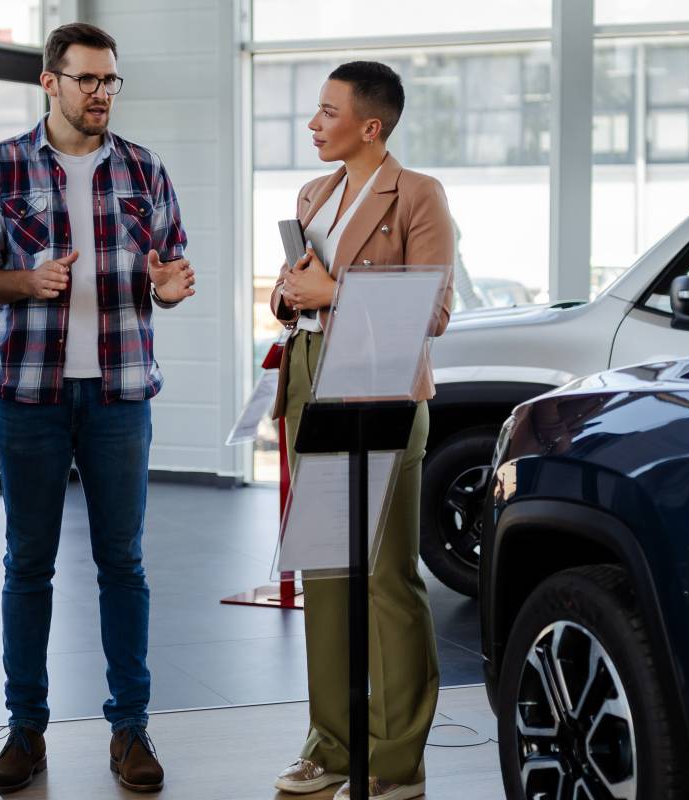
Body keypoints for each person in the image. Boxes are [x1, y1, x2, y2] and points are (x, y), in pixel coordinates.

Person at [0, 22, 195, 796]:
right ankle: (25, 730)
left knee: (123, 564)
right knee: (28, 564)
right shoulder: (0, 167)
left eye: (109, 80)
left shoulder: (145, 169)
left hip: (121, 394)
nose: (100, 93)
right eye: (86, 79)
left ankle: (131, 729)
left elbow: (170, 269)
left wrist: (169, 288)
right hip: (31, 394)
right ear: (49, 82)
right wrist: (25, 282)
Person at [268, 61, 453, 800]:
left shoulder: (418, 194)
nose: (313, 124)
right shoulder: (314, 193)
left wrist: (331, 291)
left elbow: (432, 312)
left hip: (380, 385)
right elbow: (297, 292)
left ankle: (396, 760)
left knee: (385, 578)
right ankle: (331, 746)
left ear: (370, 125)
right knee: (325, 571)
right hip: (309, 375)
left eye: (327, 111)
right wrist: (291, 295)